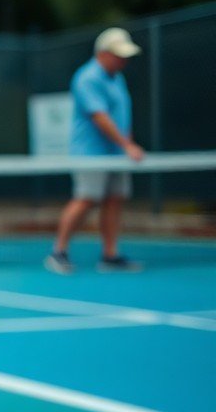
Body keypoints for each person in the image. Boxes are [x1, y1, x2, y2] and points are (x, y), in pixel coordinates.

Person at [45, 27, 146, 274]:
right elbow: (100, 117)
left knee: (114, 200)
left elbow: (122, 116)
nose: (124, 60)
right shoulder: (87, 78)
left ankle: (110, 255)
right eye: (119, 55)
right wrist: (127, 145)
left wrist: (126, 143)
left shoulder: (117, 78)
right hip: (90, 153)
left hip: (117, 154)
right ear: (103, 53)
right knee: (86, 199)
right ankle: (58, 252)